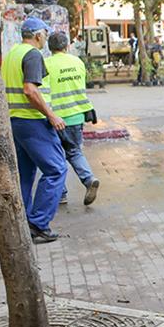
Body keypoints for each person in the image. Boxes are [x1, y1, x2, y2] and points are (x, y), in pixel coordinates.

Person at [1, 17, 67, 244]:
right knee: (56, 170)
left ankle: (20, 221)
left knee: (26, 175)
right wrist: (51, 115)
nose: (46, 39)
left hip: (16, 121)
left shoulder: (12, 54)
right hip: (34, 122)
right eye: (45, 35)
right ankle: (38, 223)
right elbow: (30, 90)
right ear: (38, 35)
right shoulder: (32, 55)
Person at [46, 32, 101, 207]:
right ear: (67, 46)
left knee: (56, 156)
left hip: (55, 118)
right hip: (77, 115)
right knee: (74, 151)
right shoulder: (77, 62)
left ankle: (61, 193)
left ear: (49, 47)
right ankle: (88, 179)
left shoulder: (46, 64)